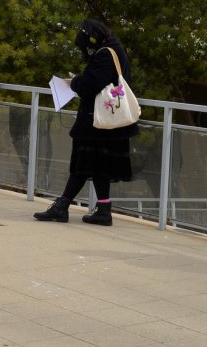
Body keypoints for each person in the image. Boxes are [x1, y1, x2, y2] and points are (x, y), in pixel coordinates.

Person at [34, 19, 137, 225]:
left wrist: (74, 82)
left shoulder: (105, 55)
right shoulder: (114, 50)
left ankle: (62, 207)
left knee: (82, 164)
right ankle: (103, 210)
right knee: (96, 166)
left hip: (96, 122)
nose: (87, 51)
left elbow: (91, 84)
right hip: (107, 122)